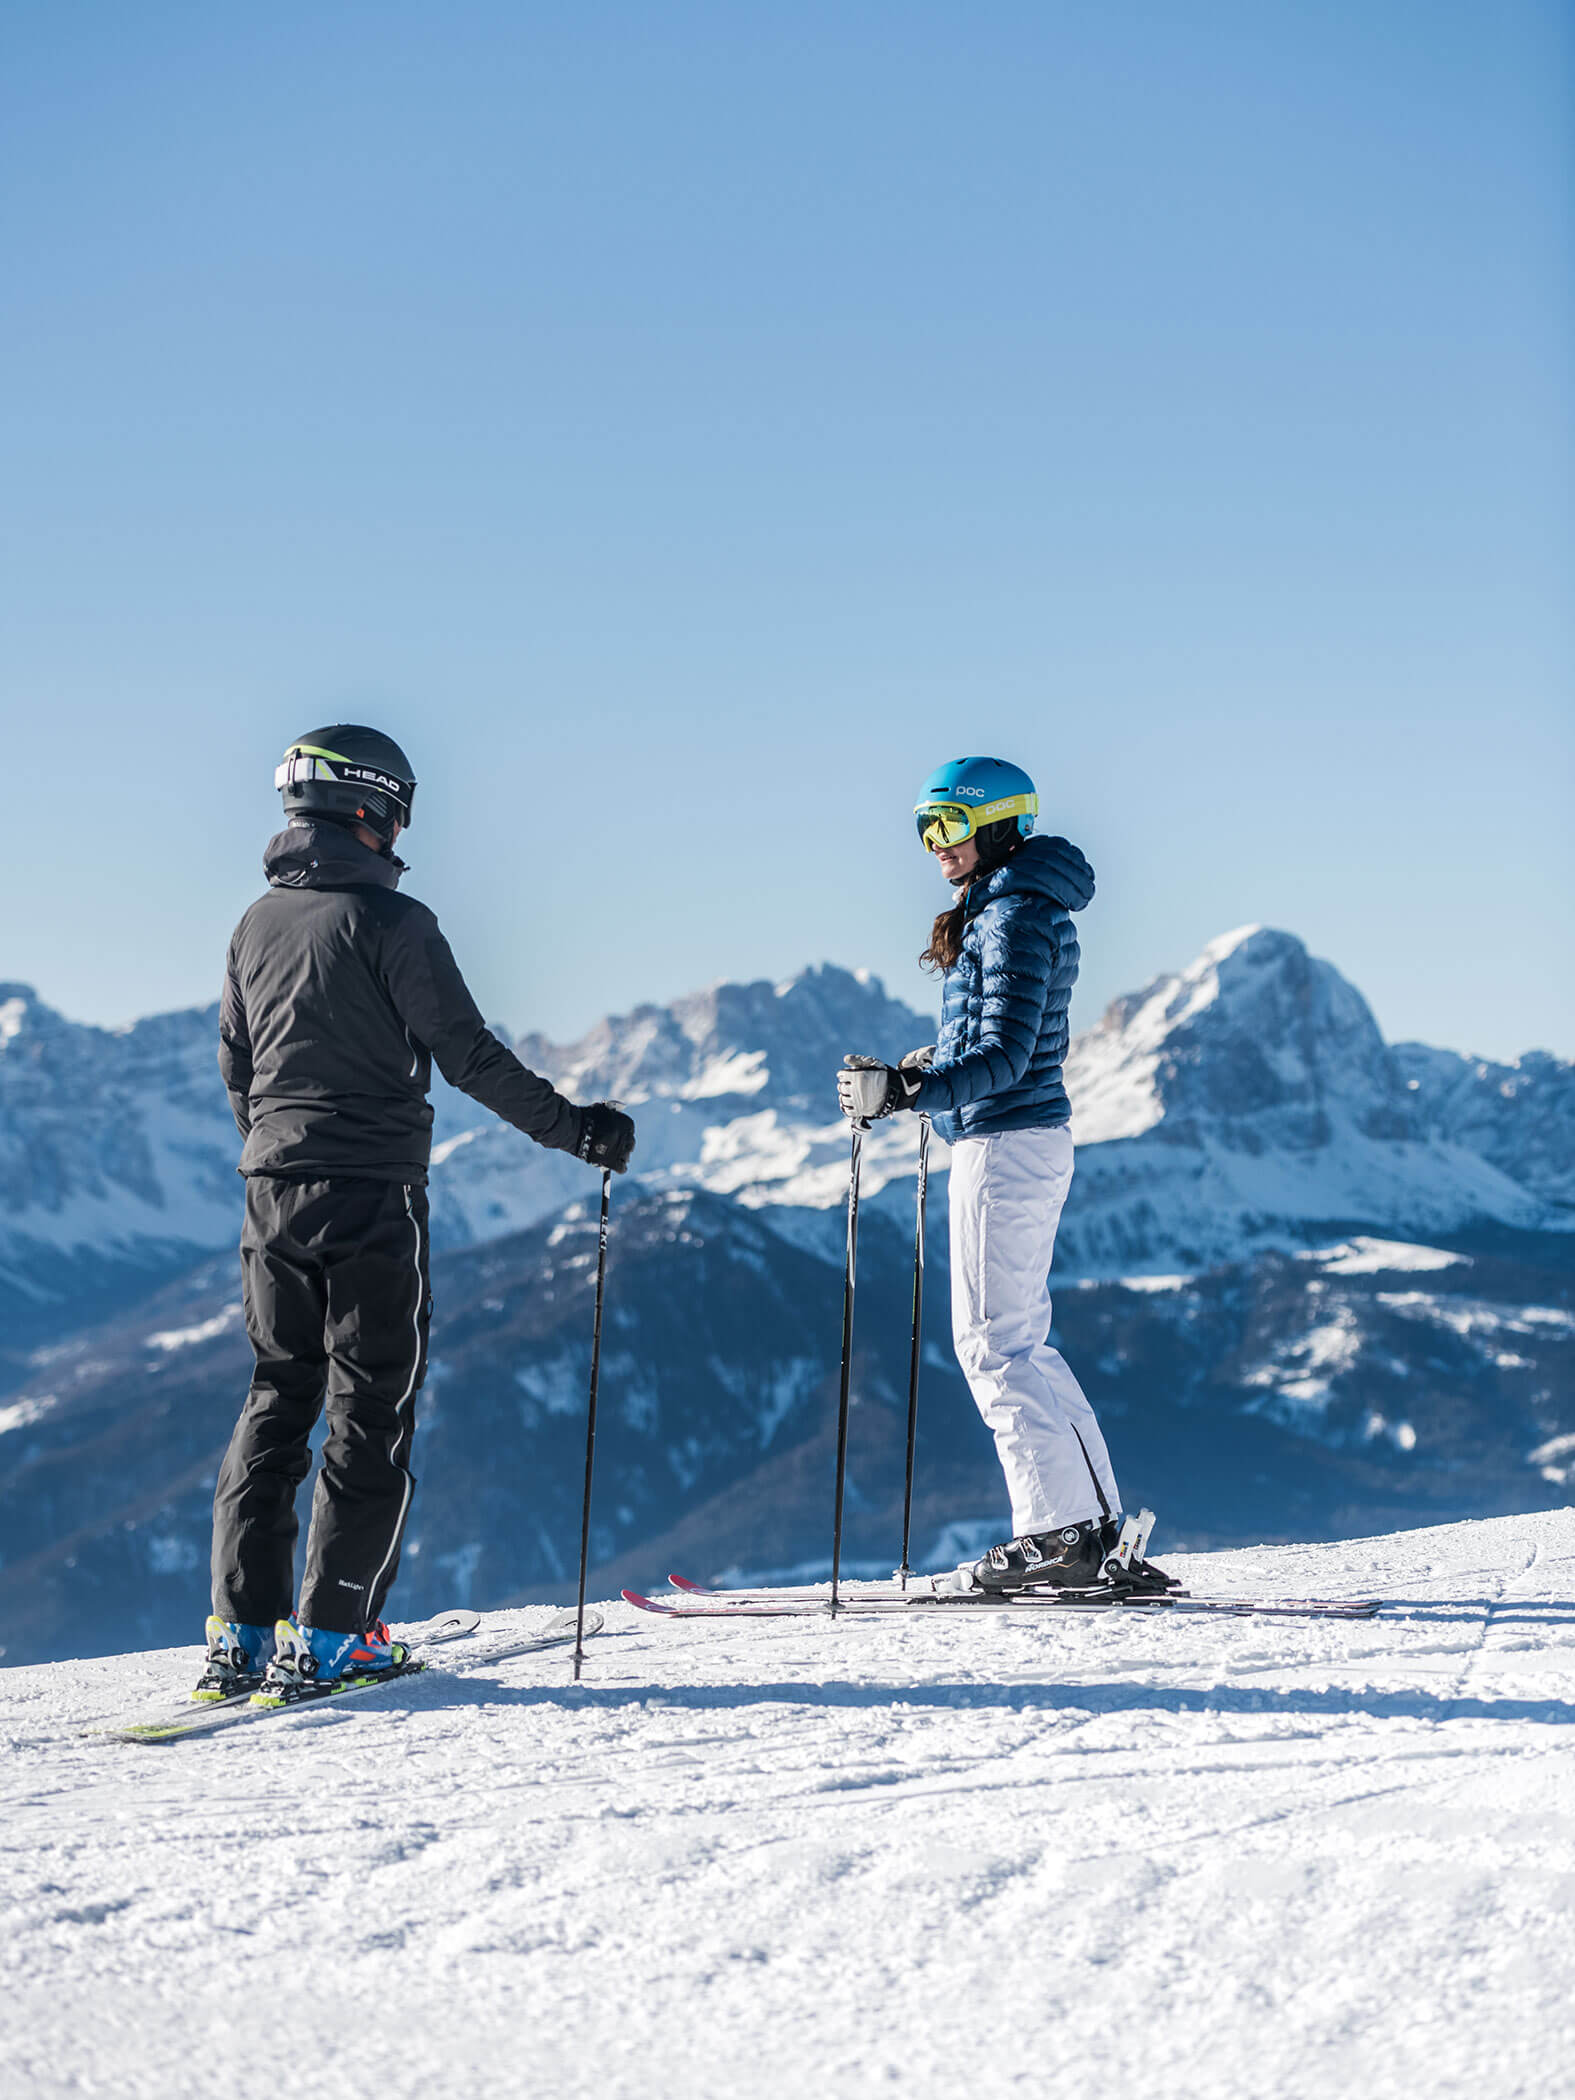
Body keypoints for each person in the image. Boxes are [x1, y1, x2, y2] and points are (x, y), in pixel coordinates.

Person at [198, 726, 635, 1705]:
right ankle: (337, 1640)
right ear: (375, 808)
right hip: (369, 1196)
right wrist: (579, 1132)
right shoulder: (396, 924)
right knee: (370, 1405)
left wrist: (278, 1150)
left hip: (270, 1189)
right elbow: (468, 1055)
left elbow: (239, 1068)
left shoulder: (254, 925)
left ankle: (238, 1640)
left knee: (276, 1397)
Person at [836, 754, 1168, 1595]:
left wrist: (914, 1090)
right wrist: (926, 1068)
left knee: (992, 1348)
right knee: (1019, 1343)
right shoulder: (1012, 908)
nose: (933, 846)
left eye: (946, 826)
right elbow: (995, 1043)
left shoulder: (1012, 916)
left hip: (1003, 1144)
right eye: (922, 831)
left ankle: (1057, 1537)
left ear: (994, 824)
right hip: (1018, 1139)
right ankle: (1089, 1532)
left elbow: (1007, 1056)